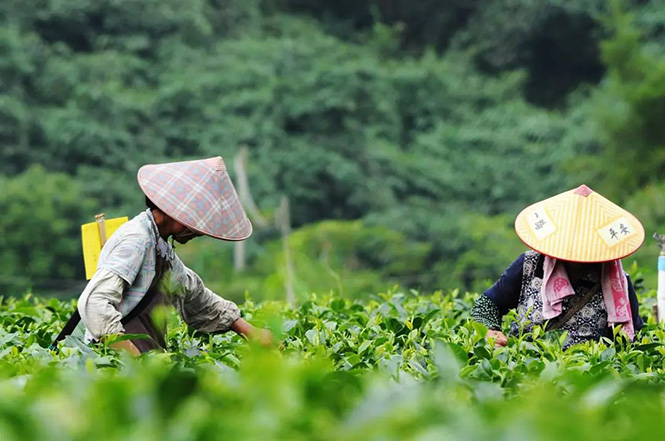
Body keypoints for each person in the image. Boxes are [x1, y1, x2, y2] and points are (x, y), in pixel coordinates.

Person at [74, 156, 271, 355]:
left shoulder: (161, 247)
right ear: (174, 211)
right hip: (116, 361)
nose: (199, 231)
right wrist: (134, 359)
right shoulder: (137, 239)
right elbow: (94, 303)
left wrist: (249, 330)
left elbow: (196, 296)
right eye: (195, 221)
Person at [471, 185, 645, 349]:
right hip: (525, 365)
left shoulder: (618, 282)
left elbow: (633, 339)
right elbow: (487, 305)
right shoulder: (530, 265)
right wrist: (490, 331)